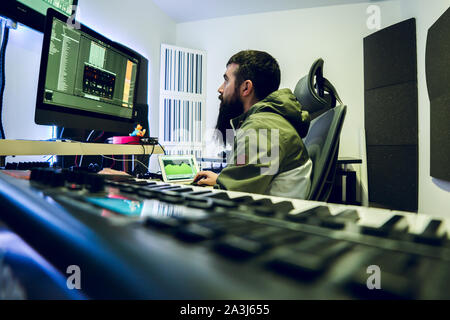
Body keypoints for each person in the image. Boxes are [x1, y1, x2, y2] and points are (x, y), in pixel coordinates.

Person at [194, 50, 313, 199]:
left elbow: (234, 197)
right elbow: (250, 177)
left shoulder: (261, 129)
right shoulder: (267, 122)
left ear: (246, 87)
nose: (220, 88)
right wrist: (221, 179)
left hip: (266, 219)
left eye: (226, 80)